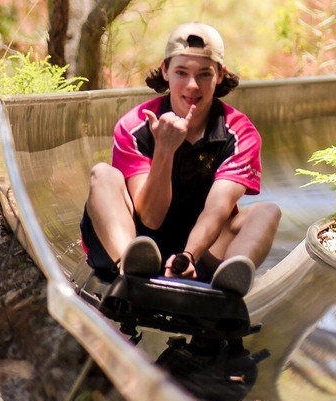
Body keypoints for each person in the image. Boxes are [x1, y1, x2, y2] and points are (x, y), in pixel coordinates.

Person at [80, 22, 281, 296]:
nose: (192, 85)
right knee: (103, 174)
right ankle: (131, 267)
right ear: (165, 71)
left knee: (267, 211)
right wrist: (164, 149)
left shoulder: (240, 132)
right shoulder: (134, 125)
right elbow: (150, 218)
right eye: (181, 73)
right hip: (137, 240)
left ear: (220, 75)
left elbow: (217, 210)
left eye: (204, 74)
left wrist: (188, 255)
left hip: (200, 252)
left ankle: (227, 289)